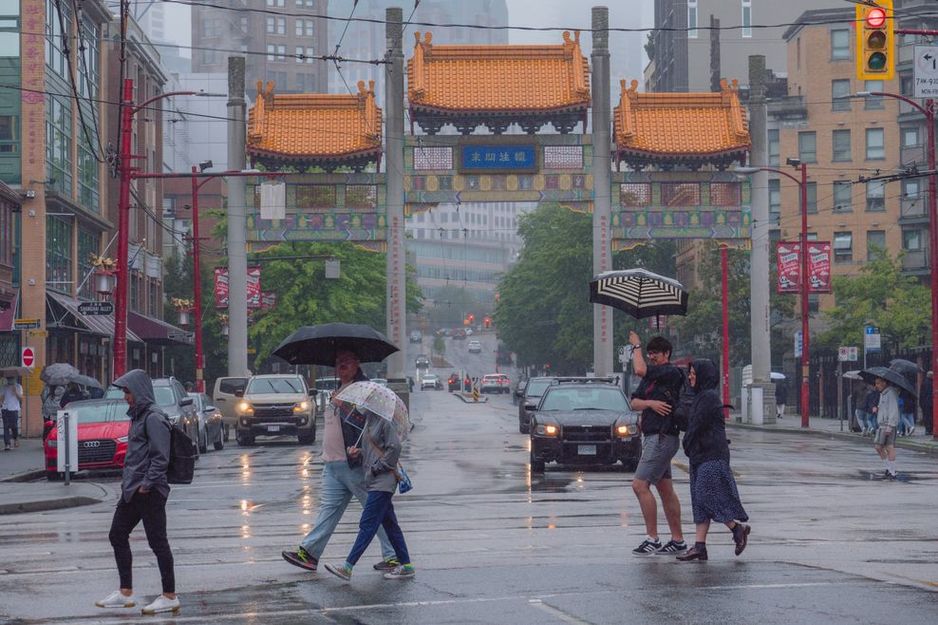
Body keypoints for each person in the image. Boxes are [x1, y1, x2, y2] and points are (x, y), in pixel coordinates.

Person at [282, 350, 398, 574]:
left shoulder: (365, 390)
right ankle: (310, 553)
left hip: (355, 463)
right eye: (338, 362)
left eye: (346, 361)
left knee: (375, 510)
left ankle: (394, 555)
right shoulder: (339, 389)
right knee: (328, 510)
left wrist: (344, 407)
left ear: (357, 363)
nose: (341, 365)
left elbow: (368, 424)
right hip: (333, 464)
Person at [96, 369, 179, 615]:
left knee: (158, 543)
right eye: (124, 392)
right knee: (117, 534)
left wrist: (147, 484)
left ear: (139, 392)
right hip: (132, 490)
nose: (125, 397)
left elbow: (160, 457)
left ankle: (169, 595)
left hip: (148, 491)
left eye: (128, 392)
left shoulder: (153, 417)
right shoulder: (138, 416)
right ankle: (125, 592)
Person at [323, 404, 414, 582]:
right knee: (391, 526)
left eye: (364, 404)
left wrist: (376, 468)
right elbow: (373, 451)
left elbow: (394, 448)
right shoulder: (369, 422)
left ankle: (347, 567)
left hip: (383, 480)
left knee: (367, 524)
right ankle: (407, 566)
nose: (360, 406)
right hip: (374, 480)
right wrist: (358, 453)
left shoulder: (384, 422)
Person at [677, 359, 750, 561]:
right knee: (698, 501)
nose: (690, 376)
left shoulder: (708, 397)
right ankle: (700, 546)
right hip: (699, 455)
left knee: (705, 495)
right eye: (689, 373)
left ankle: (737, 529)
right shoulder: (699, 396)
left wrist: (686, 444)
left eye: (693, 373)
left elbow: (696, 425)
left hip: (712, 455)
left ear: (703, 375)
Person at [627, 331, 687, 556]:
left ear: (667, 354)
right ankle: (678, 540)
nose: (652, 357)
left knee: (640, 485)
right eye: (650, 353)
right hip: (654, 436)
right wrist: (650, 403)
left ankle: (652, 538)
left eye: (656, 354)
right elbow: (633, 402)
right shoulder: (651, 380)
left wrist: (636, 346)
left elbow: (639, 369)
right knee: (665, 489)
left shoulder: (671, 372)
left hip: (662, 437)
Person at [872, 376, 900, 480]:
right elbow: (883, 407)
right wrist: (877, 408)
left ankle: (892, 471)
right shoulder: (883, 394)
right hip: (882, 424)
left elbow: (893, 409)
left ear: (884, 383)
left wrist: (890, 425)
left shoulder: (890, 394)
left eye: (878, 383)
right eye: (876, 383)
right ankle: (889, 469)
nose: (876, 386)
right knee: (880, 447)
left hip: (887, 425)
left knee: (887, 447)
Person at [2, 376, 23, 451]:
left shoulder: (18, 386)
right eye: (9, 378)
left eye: (11, 378)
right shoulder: (4, 387)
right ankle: (7, 444)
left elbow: (21, 398)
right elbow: (2, 397)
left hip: (14, 409)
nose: (10, 380)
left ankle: (15, 437)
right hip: (5, 408)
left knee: (14, 426)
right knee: (6, 427)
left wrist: (15, 392)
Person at [920, 372, 933, 436]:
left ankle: (928, 430)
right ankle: (931, 429)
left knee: (926, 417)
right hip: (931, 402)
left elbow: (922, 394)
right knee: (931, 417)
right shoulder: (933, 383)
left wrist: (921, 403)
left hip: (925, 402)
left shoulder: (924, 383)